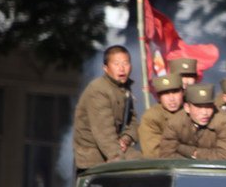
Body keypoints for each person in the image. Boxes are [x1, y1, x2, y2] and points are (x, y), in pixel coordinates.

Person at [72, 45, 138, 173]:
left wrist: (126, 139)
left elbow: (132, 121)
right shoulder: (98, 90)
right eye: (116, 64)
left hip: (116, 148)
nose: (122, 68)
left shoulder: (124, 89)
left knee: (145, 165)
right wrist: (117, 159)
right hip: (93, 158)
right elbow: (104, 131)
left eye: (125, 63)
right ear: (105, 68)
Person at [160, 84, 226, 160]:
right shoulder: (175, 123)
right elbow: (166, 156)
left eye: (208, 106)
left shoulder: (223, 121)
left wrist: (192, 152)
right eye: (199, 107)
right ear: (187, 108)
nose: (204, 113)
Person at [138, 73, 186, 158]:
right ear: (159, 97)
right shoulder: (151, 117)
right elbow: (153, 153)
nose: (171, 99)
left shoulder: (193, 112)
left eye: (175, 92)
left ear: (183, 92)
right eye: (166, 93)